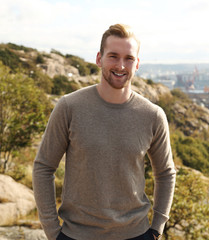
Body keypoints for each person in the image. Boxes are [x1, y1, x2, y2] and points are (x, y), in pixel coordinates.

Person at [32, 23, 176, 240]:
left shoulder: (153, 115)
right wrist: (53, 232)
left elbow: (165, 173)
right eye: (113, 56)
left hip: (136, 234)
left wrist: (156, 229)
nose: (120, 65)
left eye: (128, 58)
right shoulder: (69, 107)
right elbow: (43, 167)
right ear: (99, 59)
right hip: (76, 235)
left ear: (137, 64)